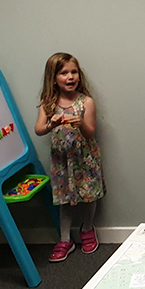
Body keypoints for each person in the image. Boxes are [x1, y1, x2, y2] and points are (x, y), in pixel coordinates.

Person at [35, 53, 106, 262]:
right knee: (64, 199)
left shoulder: (87, 102)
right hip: (62, 161)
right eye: (64, 73)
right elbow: (39, 129)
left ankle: (87, 228)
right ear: (53, 78)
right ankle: (65, 239)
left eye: (73, 72)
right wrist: (52, 124)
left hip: (85, 158)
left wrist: (80, 123)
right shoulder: (48, 103)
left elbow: (90, 132)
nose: (70, 77)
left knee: (89, 194)